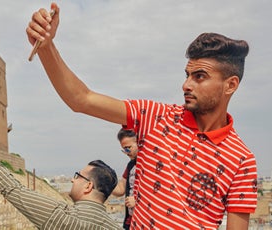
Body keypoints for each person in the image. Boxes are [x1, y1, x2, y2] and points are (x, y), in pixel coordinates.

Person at [26, 3, 257, 230]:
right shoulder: (155, 117)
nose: (186, 85)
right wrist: (47, 47)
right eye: (187, 75)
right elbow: (81, 99)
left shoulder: (242, 161)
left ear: (230, 85)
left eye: (199, 76)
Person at [0, 127, 122, 229]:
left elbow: (14, 190)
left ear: (88, 186)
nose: (72, 180)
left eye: (77, 176)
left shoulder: (64, 218)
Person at [112, 128, 138, 230]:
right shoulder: (131, 165)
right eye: (124, 150)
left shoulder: (151, 163)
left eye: (128, 148)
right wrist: (102, 184)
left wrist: (138, 201)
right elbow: (120, 189)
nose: (127, 152)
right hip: (131, 221)